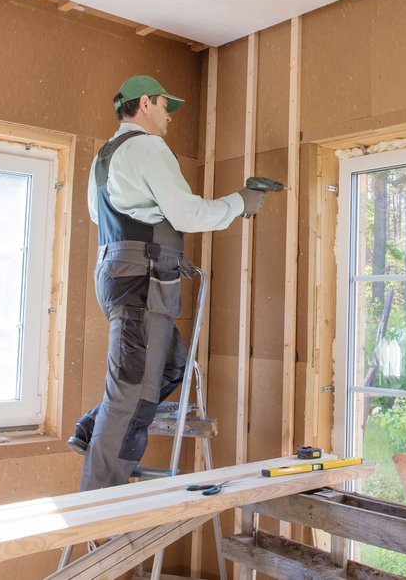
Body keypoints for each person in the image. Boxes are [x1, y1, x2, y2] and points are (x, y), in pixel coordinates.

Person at [69, 75, 265, 491]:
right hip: (142, 282)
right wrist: (239, 203)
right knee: (132, 400)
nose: (169, 117)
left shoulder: (106, 154)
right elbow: (187, 216)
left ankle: (92, 426)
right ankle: (97, 507)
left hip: (117, 274)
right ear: (144, 104)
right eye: (164, 106)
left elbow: (100, 215)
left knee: (171, 365)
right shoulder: (148, 148)